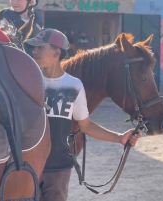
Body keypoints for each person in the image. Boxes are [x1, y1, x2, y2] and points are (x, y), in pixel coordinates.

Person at [25, 28, 141, 201]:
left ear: (57, 52)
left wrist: (119, 138)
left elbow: (85, 125)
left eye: (41, 47)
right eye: (34, 47)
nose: (35, 51)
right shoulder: (27, 81)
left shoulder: (73, 85)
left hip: (58, 169)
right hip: (26, 167)